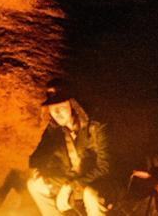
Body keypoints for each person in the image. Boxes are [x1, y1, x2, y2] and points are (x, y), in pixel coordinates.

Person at [24, 86, 111, 216]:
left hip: (97, 181)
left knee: (90, 194)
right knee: (35, 185)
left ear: (73, 105)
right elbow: (37, 157)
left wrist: (71, 186)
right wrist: (37, 172)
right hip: (71, 179)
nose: (57, 113)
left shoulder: (96, 127)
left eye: (62, 107)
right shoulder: (55, 129)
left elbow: (105, 168)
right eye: (53, 109)